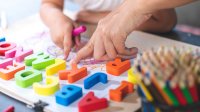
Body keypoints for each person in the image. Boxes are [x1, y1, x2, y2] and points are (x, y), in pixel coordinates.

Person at [41, 0, 181, 62]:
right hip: (90, 32)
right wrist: (56, 20)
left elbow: (166, 22)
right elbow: (49, 4)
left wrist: (100, 17)